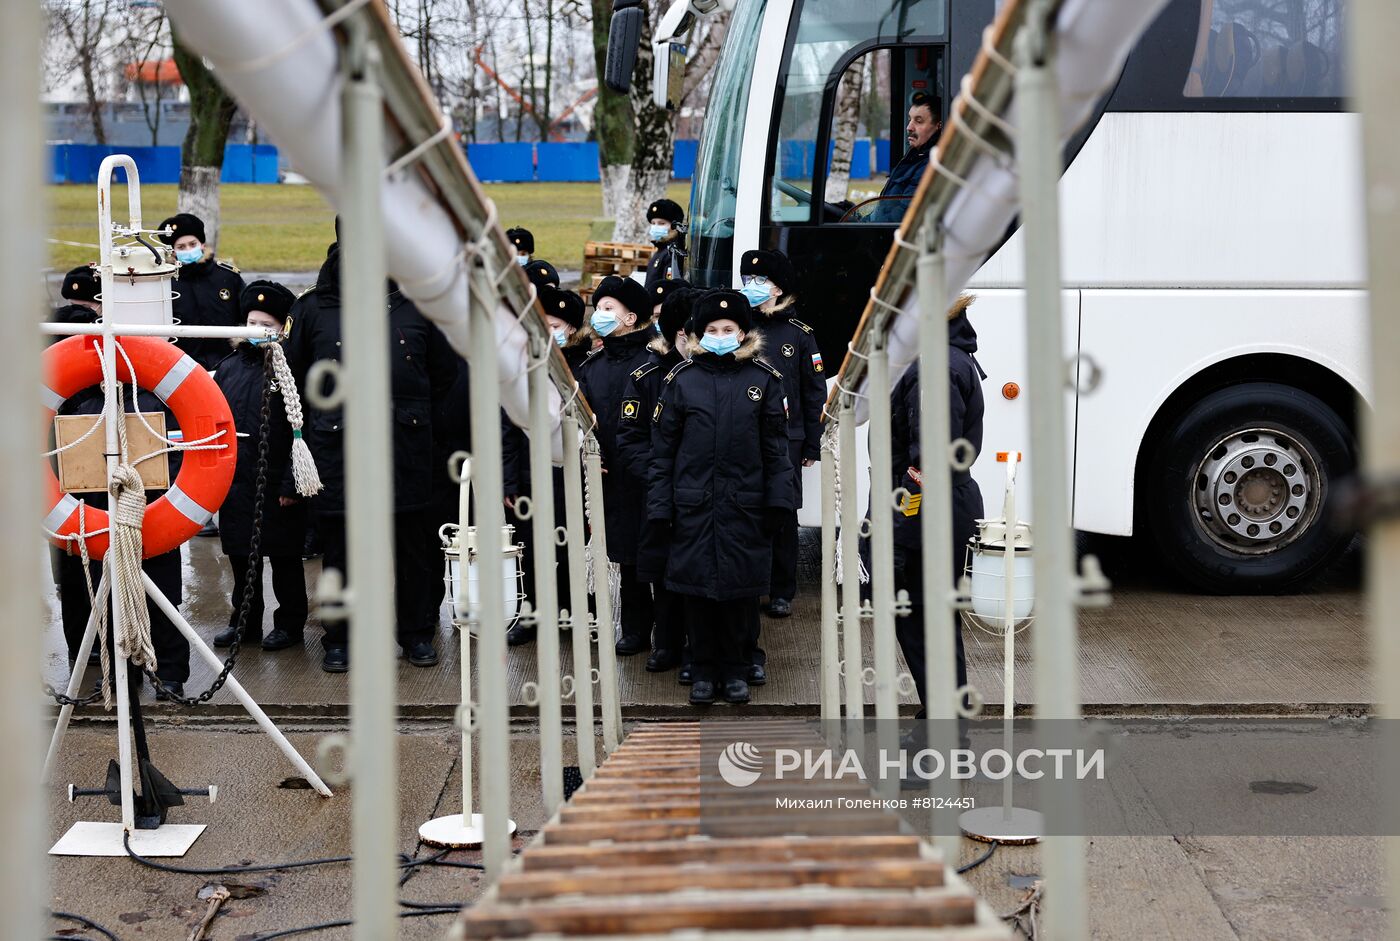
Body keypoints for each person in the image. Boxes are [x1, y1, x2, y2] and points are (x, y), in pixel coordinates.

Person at [285, 238, 457, 672]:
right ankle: (340, 639)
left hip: (404, 449)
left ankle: (416, 634)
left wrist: (408, 412)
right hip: (337, 449)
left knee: (413, 549)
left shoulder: (418, 306)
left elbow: (443, 374)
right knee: (341, 552)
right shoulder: (312, 310)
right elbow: (291, 378)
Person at [646, 290, 794, 705]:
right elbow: (663, 454)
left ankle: (735, 667)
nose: (720, 335)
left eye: (728, 329)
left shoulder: (764, 380)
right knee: (696, 592)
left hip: (745, 505)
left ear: (744, 332)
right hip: (692, 505)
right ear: (697, 334)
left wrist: (779, 502)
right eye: (712, 329)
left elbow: (776, 451)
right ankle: (703, 667)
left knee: (740, 592)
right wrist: (661, 508)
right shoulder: (682, 381)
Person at [47, 287, 191, 700]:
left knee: (160, 595)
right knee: (94, 598)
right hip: (82, 516)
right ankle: (115, 672)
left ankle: (170, 672)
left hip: (148, 511)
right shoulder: (62, 401)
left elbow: (178, 450)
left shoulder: (148, 394)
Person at [889, 294, 985, 736]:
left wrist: (901, 523)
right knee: (932, 622)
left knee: (922, 621)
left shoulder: (935, 366)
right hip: (941, 507)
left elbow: (928, 463)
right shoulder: (950, 358)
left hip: (929, 512)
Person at [211, 281, 310, 652]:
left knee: (285, 558)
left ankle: (289, 623)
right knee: (241, 556)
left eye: (266, 324)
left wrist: (291, 483)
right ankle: (245, 620)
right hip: (236, 478)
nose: (257, 330)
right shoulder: (230, 368)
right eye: (251, 322)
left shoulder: (291, 370)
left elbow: (303, 427)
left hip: (276, 478)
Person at [740, 250, 825, 636]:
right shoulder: (738, 329)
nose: (751, 287)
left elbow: (813, 391)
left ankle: (781, 590)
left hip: (787, 440)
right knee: (747, 510)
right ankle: (752, 583)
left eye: (759, 281)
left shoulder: (799, 334)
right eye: (747, 279)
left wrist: (812, 444)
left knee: (783, 513)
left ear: (777, 287)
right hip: (744, 437)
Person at [574, 274, 660, 657]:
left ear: (631, 317)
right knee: (626, 554)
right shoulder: (593, 366)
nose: (600, 315)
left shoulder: (653, 362)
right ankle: (636, 628)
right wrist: (590, 454)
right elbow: (582, 419)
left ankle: (672, 632)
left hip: (651, 471)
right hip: (612, 473)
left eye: (609, 308)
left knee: (660, 550)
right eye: (599, 307)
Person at [502, 285, 589, 647]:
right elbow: (506, 427)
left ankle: (571, 610)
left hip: (570, 471)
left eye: (556, 324)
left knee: (572, 544)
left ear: (570, 328)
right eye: (543, 324)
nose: (549, 331)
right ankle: (532, 612)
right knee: (532, 547)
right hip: (530, 472)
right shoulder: (522, 367)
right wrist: (508, 481)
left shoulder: (585, 364)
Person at [617, 283, 692, 672]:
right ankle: (665, 643)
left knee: (698, 572)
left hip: (703, 493)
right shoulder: (646, 377)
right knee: (662, 571)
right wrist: (661, 476)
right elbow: (630, 437)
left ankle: (697, 645)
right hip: (660, 492)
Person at [158, 213, 246, 370]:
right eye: (181, 247)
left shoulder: (227, 276)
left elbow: (245, 315)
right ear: (173, 252)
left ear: (202, 245)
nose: (188, 249)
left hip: (227, 363)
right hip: (181, 365)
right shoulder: (165, 282)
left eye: (193, 244)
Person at [873, 92, 943, 222]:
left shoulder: (930, 165)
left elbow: (902, 216)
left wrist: (869, 225)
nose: (909, 127)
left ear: (939, 126)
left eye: (919, 121)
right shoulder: (915, 156)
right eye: (910, 119)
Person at [643, 198, 686, 288]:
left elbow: (667, 288)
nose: (655, 227)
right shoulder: (661, 250)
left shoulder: (673, 252)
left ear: (675, 226)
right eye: (653, 223)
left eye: (661, 223)